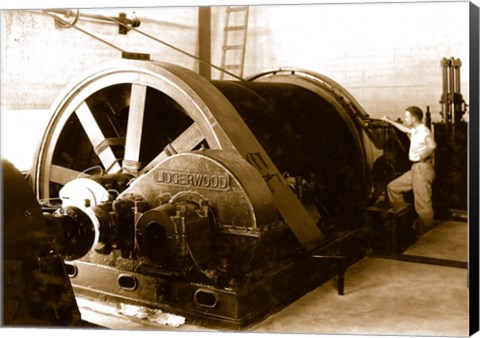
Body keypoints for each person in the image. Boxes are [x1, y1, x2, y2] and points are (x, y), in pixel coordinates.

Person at [381, 106, 437, 233]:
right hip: (416, 169)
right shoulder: (416, 130)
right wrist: (389, 121)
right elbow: (405, 129)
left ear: (414, 118)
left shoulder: (424, 131)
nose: (405, 119)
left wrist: (424, 155)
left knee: (422, 205)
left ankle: (428, 236)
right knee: (393, 187)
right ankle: (405, 220)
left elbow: (432, 145)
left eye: (407, 116)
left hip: (422, 168)